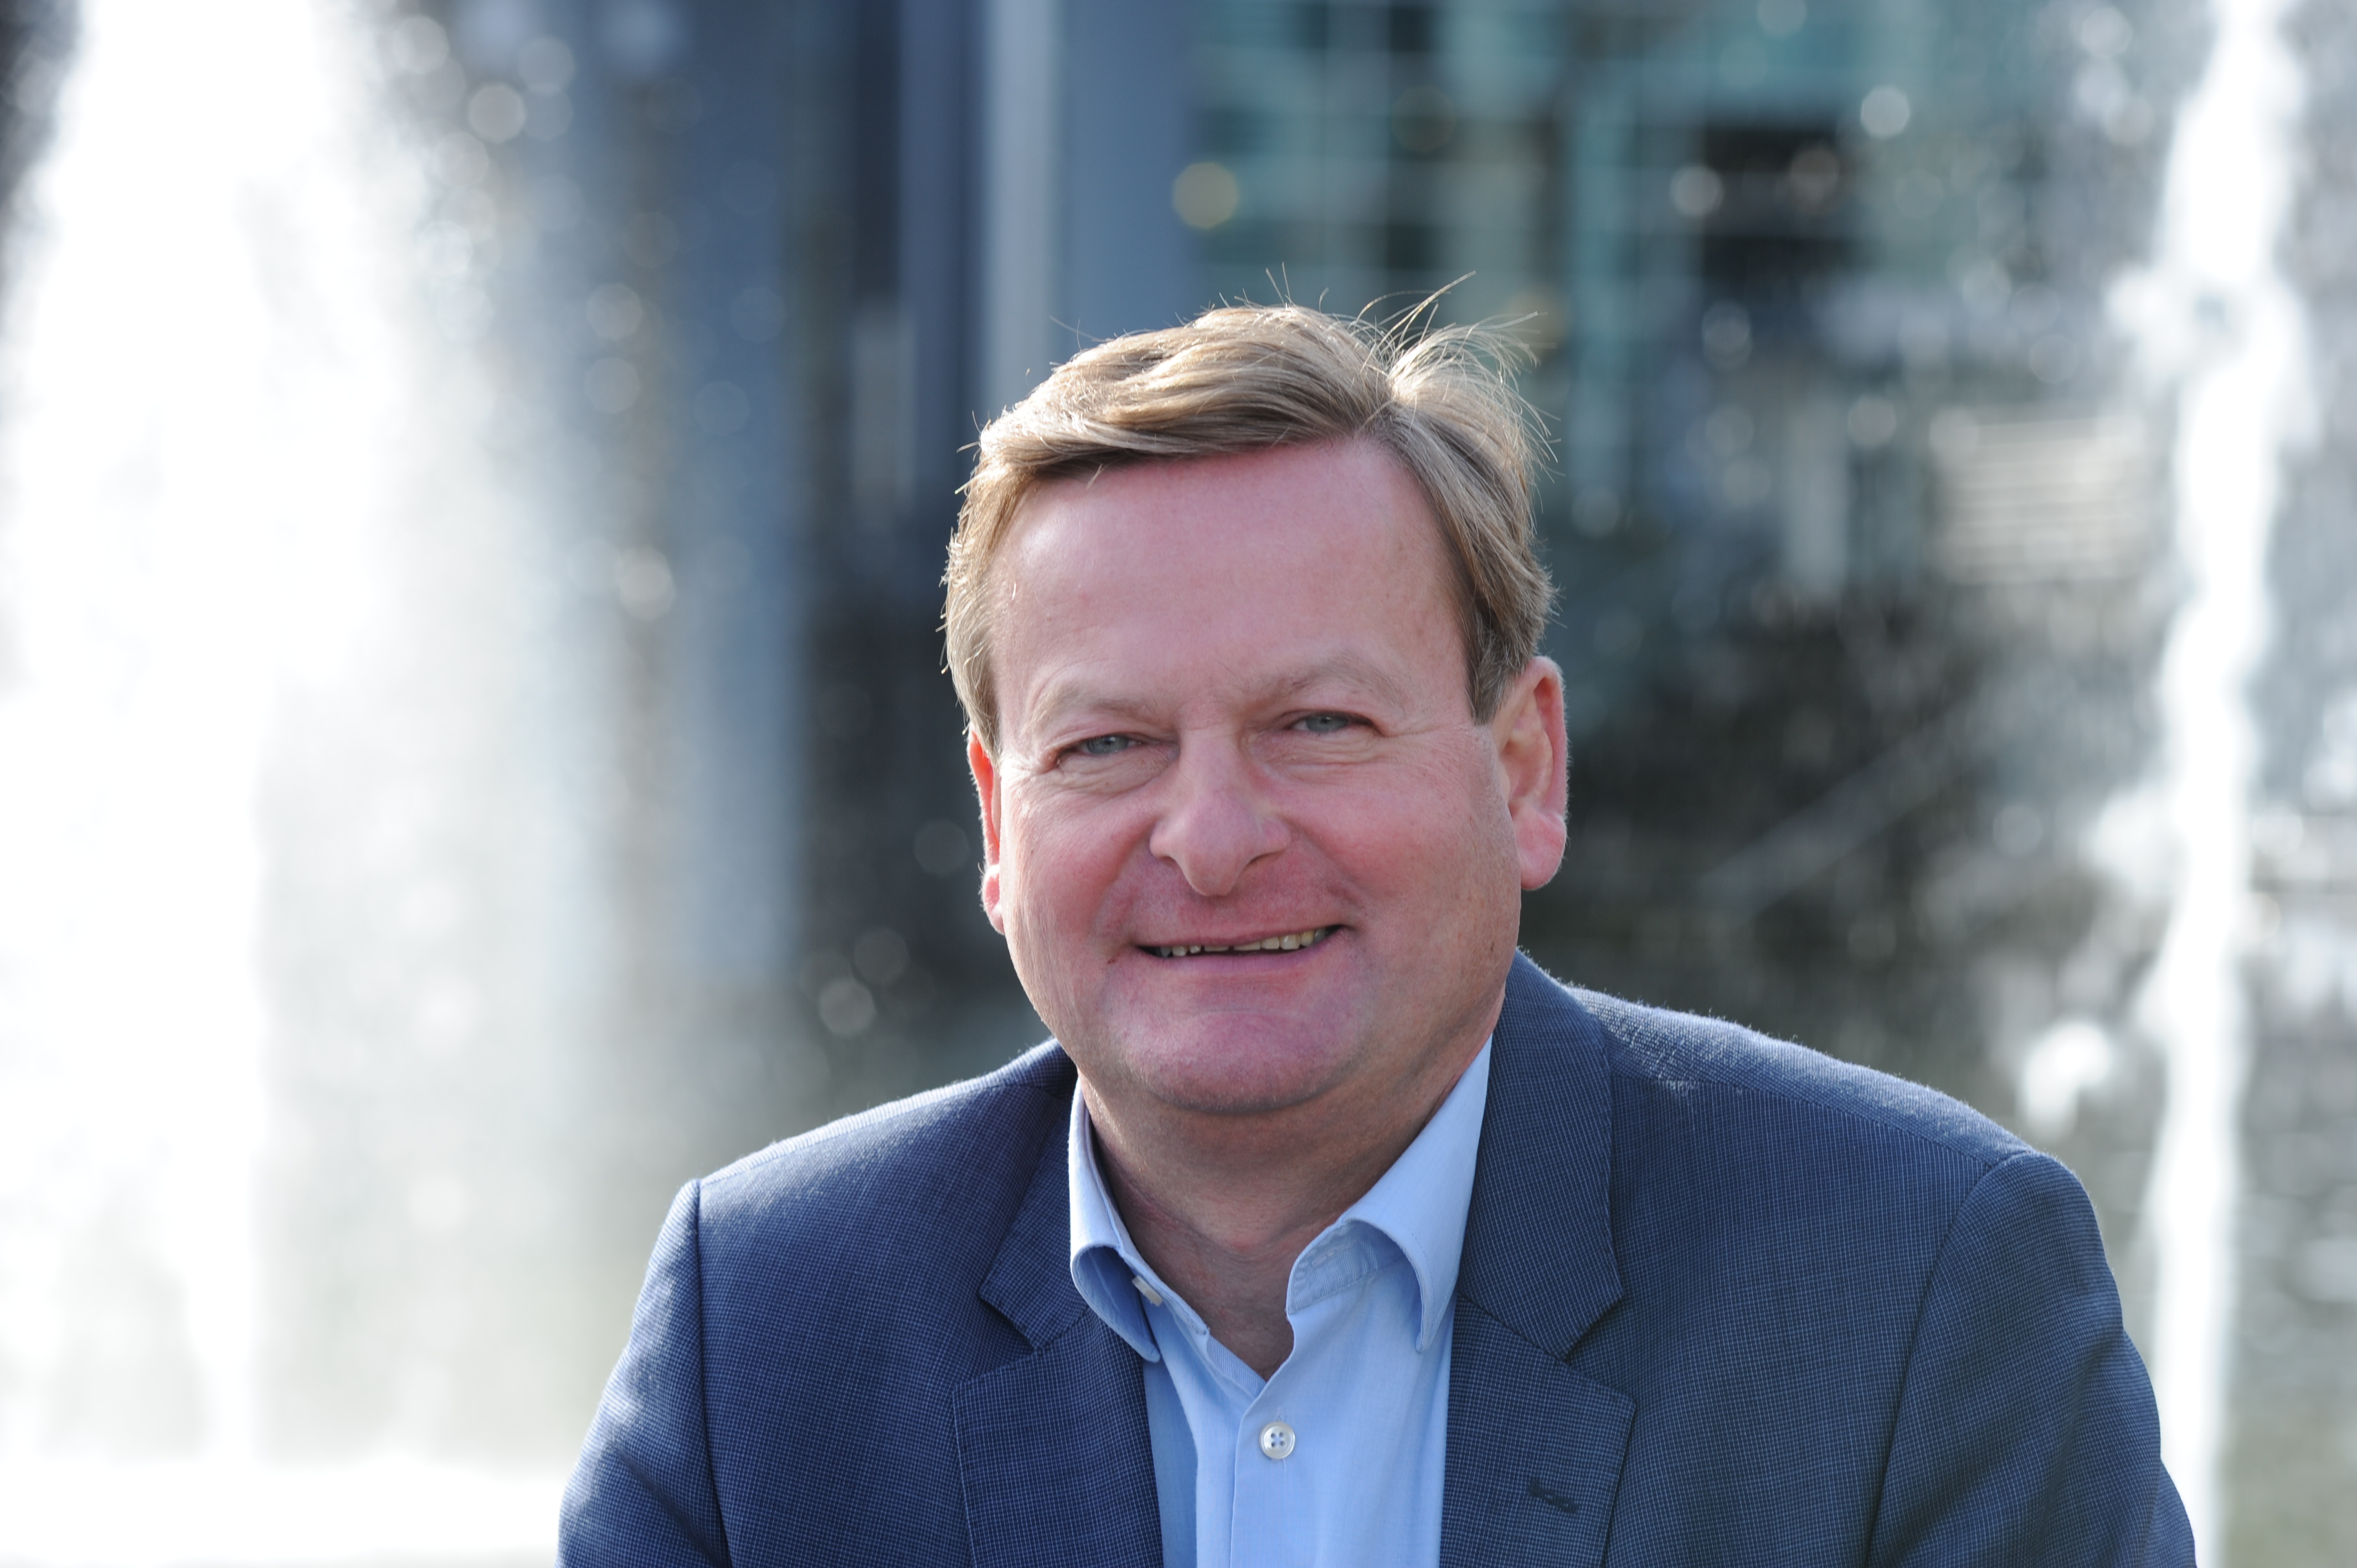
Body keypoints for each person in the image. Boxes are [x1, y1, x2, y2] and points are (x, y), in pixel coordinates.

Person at [558, 303, 2192, 1566]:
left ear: (1523, 770)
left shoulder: (1913, 1291)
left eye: (1318, 725)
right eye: (1108, 746)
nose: (1210, 841)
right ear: (999, 824)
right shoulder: (764, 1325)